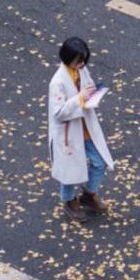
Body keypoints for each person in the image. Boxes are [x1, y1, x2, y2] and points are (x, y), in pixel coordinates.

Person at [48, 37, 114, 223]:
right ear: (68, 58)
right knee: (69, 171)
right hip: (69, 132)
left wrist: (93, 93)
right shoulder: (57, 82)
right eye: (79, 60)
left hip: (85, 127)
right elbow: (59, 112)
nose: (82, 64)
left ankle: (89, 194)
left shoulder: (81, 70)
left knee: (99, 162)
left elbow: (87, 88)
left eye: (84, 59)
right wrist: (80, 98)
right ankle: (69, 201)